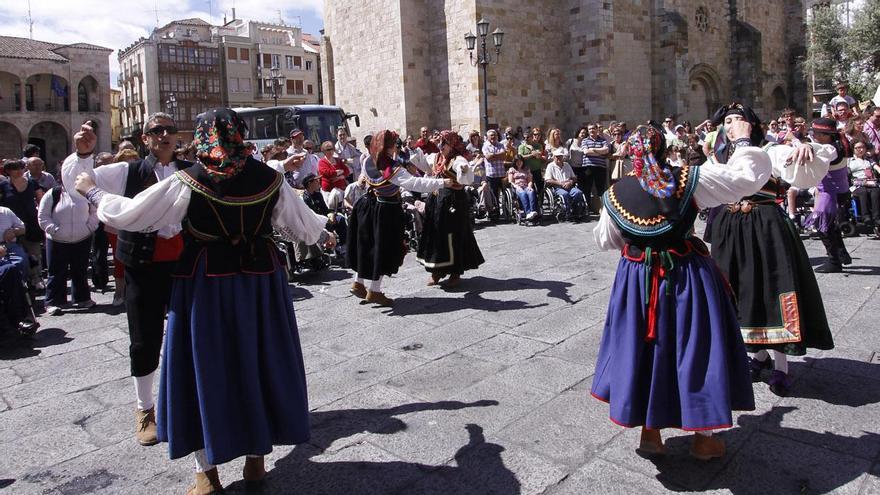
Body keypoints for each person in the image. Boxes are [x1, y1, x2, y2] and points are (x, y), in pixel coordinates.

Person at [74, 108, 336, 494]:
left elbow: (133, 215)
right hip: (260, 285)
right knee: (259, 361)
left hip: (207, 286)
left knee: (204, 367)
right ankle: (255, 463)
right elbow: (303, 225)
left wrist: (92, 191)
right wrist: (323, 233)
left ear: (202, 137)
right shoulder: (270, 178)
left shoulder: (189, 180)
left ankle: (207, 475)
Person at [591, 119, 769, 460]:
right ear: (663, 149)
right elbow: (744, 181)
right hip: (687, 275)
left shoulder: (615, 193)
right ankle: (703, 438)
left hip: (637, 279)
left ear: (630, 154)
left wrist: (642, 239)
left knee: (643, 347)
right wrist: (743, 142)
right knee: (696, 346)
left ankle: (650, 432)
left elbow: (605, 239)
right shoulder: (689, 179)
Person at [62, 113, 187, 447]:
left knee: (190, 333)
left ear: (176, 137)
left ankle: (190, 400)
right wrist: (85, 154)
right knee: (144, 338)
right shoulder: (126, 171)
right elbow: (79, 183)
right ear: (145, 139)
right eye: (156, 131)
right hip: (142, 267)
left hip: (183, 266)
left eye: (169, 130)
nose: (163, 135)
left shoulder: (189, 171)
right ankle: (144, 410)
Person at [707, 104, 835, 397]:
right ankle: (757, 356)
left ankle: (780, 365)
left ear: (752, 124)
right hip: (730, 228)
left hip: (764, 226)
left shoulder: (770, 149)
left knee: (772, 288)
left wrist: (808, 149)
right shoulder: (718, 156)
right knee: (738, 290)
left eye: (739, 119)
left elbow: (813, 161)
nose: (733, 124)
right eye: (727, 120)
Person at [347, 130, 450, 306]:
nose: (397, 146)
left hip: (369, 206)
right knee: (383, 249)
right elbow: (414, 183)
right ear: (389, 146)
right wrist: (442, 183)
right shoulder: (392, 168)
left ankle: (359, 283)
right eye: (394, 143)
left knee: (368, 245)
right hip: (386, 209)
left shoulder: (367, 160)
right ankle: (375, 291)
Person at [417, 130, 485, 288]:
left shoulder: (458, 159)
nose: (440, 146)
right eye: (439, 143)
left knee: (453, 235)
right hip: (436, 199)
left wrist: (464, 169)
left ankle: (455, 272)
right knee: (435, 234)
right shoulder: (436, 157)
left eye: (444, 143)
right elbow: (425, 167)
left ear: (452, 144)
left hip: (454, 201)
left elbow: (466, 177)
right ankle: (437, 271)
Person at [38, 182, 98, 315]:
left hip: (82, 238)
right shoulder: (53, 194)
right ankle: (53, 301)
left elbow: (95, 212)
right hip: (57, 240)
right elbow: (43, 215)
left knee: (80, 269)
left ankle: (82, 298)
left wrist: (89, 227)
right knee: (56, 270)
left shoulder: (85, 194)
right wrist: (54, 230)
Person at [804, 118, 853, 273]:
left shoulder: (831, 149)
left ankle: (834, 261)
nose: (813, 135)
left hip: (830, 193)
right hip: (838, 190)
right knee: (831, 225)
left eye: (816, 133)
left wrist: (799, 143)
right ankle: (842, 254)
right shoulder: (838, 144)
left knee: (822, 226)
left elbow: (815, 155)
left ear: (826, 135)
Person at [0, 159, 44, 290]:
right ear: (8, 171)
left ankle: (37, 279)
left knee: (34, 252)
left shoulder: (32, 183)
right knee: (17, 254)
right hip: (11, 225)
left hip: (31, 222)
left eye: (21, 168)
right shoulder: (3, 185)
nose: (19, 171)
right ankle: (21, 281)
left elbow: (41, 200)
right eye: (15, 168)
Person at [849, 140, 880, 237]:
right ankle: (865, 217)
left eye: (862, 147)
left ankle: (876, 218)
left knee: (876, 192)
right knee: (863, 192)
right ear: (853, 149)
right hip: (858, 185)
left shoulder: (869, 160)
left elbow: (877, 168)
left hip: (871, 183)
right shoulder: (849, 161)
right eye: (858, 148)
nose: (861, 150)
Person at [544, 148, 585, 220]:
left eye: (560, 156)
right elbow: (548, 180)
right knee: (565, 194)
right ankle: (567, 212)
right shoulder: (550, 166)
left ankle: (576, 211)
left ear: (563, 157)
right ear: (554, 157)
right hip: (557, 187)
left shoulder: (567, 165)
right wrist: (560, 183)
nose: (558, 158)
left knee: (578, 192)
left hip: (569, 185)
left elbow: (574, 177)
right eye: (557, 156)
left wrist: (570, 182)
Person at [579, 123, 611, 214]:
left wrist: (593, 150)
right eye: (589, 129)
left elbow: (606, 150)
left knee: (601, 189)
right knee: (587, 188)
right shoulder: (585, 140)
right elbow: (586, 152)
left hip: (600, 167)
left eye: (593, 128)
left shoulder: (603, 140)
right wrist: (600, 152)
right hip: (588, 167)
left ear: (597, 130)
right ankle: (588, 208)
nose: (591, 131)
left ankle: (602, 209)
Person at [317, 141, 350, 211]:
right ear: (323, 151)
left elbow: (347, 171)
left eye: (331, 149)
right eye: (328, 149)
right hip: (329, 191)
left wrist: (341, 177)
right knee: (333, 211)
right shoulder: (322, 162)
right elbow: (326, 173)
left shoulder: (338, 160)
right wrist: (337, 172)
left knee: (343, 210)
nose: (330, 151)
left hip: (341, 190)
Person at [518, 128, 547, 204]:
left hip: (536, 169)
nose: (525, 139)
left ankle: (540, 203)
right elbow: (521, 157)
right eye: (524, 138)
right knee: (531, 188)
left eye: (527, 137)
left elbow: (538, 155)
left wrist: (531, 149)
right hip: (526, 171)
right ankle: (533, 204)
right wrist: (532, 154)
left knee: (540, 187)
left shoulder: (538, 145)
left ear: (531, 137)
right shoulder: (521, 147)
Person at [507, 155, 538, 221]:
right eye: (517, 161)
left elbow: (530, 180)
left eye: (520, 161)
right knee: (523, 193)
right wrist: (516, 186)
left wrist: (529, 186)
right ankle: (528, 212)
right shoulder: (512, 169)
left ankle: (532, 211)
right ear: (515, 162)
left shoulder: (526, 169)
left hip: (526, 186)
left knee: (531, 191)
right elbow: (511, 181)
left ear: (523, 162)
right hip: (517, 187)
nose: (519, 163)